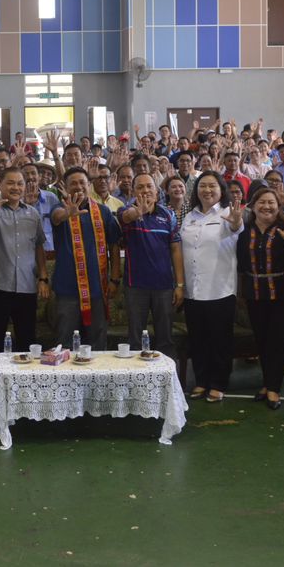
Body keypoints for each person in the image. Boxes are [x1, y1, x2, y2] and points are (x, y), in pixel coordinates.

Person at [178, 172, 243, 402]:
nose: (207, 190)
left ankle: (218, 383)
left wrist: (236, 223)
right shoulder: (189, 217)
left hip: (219, 289)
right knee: (198, 340)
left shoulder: (228, 214)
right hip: (193, 290)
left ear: (221, 189)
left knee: (220, 341)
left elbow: (236, 229)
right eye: (202, 186)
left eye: (212, 186)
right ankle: (201, 381)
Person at [238, 188, 284, 410]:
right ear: (253, 206)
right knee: (262, 341)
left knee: (278, 341)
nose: (267, 206)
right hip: (255, 293)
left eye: (271, 202)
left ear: (278, 206)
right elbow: (240, 263)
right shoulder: (244, 231)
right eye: (262, 202)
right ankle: (267, 382)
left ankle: (274, 387)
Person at [0, 167, 46, 371]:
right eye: (10, 183)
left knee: (27, 340)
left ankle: (26, 383)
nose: (15, 187)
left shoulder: (33, 214)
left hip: (26, 286)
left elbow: (39, 247)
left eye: (19, 183)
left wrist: (43, 278)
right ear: (0, 184)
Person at [49, 167, 122, 353]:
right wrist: (68, 213)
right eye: (73, 183)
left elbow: (114, 245)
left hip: (97, 288)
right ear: (65, 188)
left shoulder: (103, 212)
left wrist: (114, 279)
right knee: (65, 345)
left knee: (97, 345)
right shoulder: (59, 208)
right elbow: (56, 218)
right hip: (68, 289)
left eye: (82, 182)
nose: (78, 186)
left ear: (89, 185)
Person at [117, 174, 185, 367]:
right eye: (140, 187)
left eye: (149, 186)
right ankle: (134, 378)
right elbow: (125, 217)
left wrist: (180, 285)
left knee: (165, 339)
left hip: (164, 286)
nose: (145, 190)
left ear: (157, 191)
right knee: (135, 340)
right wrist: (138, 212)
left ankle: (168, 378)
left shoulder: (168, 215)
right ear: (133, 191)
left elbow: (175, 249)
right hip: (135, 286)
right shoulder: (125, 211)